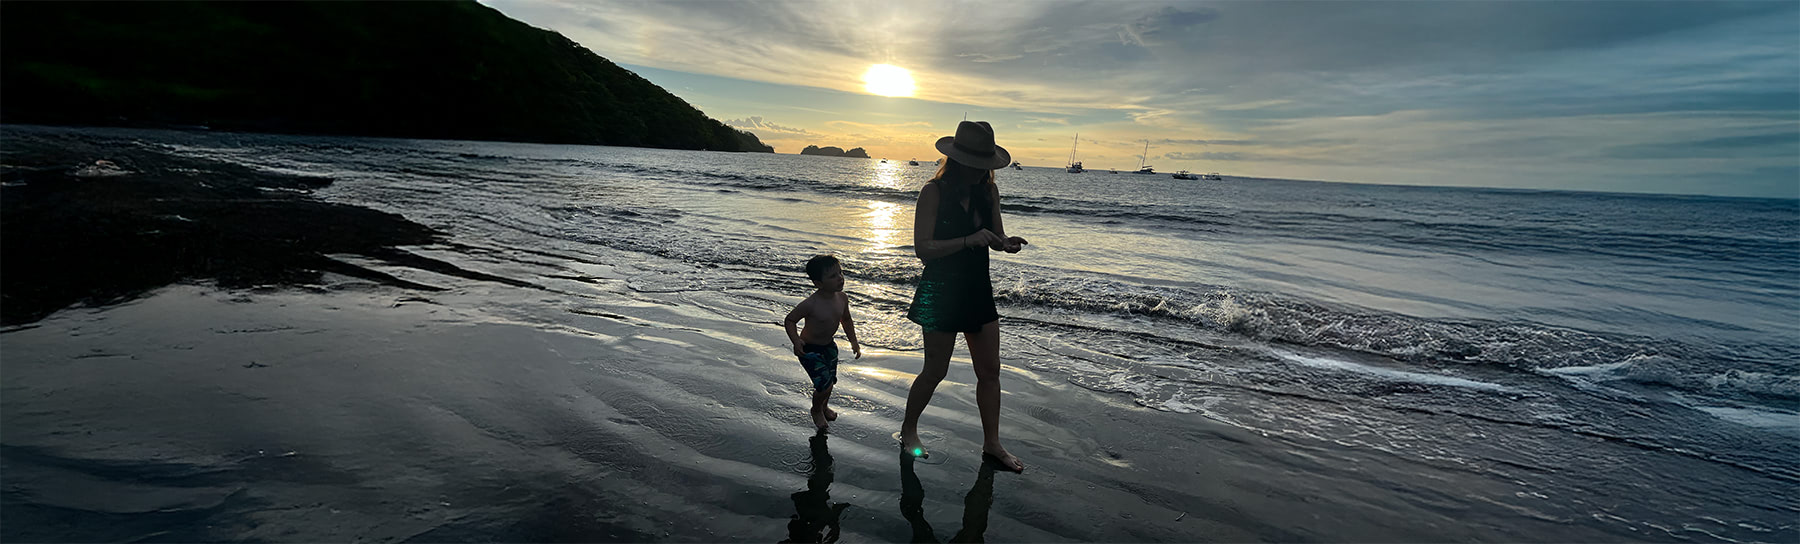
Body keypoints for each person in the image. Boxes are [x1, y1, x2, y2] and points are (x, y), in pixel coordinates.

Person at [899, 121, 1028, 473]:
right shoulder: (933, 192)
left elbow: (996, 236)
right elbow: (923, 249)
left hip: (976, 287)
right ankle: (908, 430)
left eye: (985, 163)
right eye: (975, 162)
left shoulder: (989, 192)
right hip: (940, 289)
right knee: (935, 369)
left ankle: (992, 444)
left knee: (989, 371)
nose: (982, 170)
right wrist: (969, 240)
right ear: (957, 160)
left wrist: (1006, 244)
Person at [784, 254, 863, 432]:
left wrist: (854, 342)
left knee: (830, 382)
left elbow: (847, 320)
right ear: (818, 283)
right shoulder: (811, 304)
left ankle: (824, 406)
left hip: (829, 347)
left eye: (840, 273)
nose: (840, 278)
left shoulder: (842, 298)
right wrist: (796, 341)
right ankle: (816, 410)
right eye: (833, 276)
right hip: (809, 349)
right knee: (824, 385)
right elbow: (790, 320)